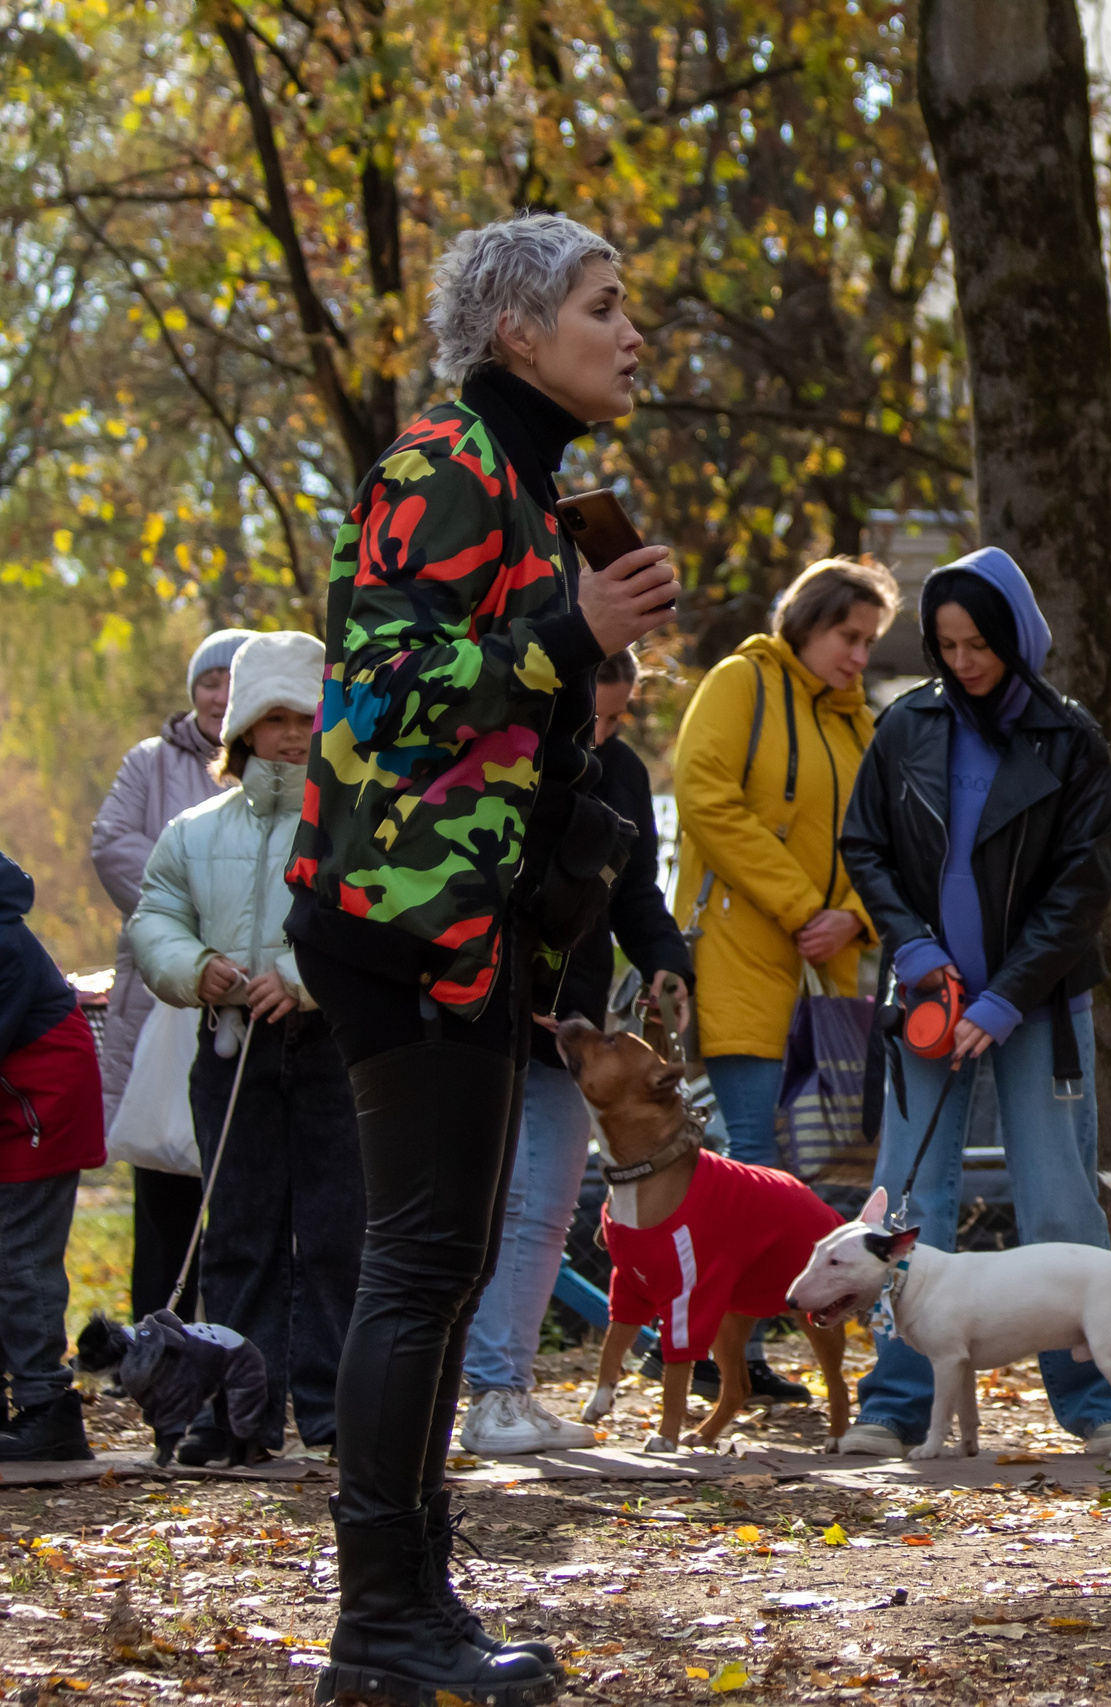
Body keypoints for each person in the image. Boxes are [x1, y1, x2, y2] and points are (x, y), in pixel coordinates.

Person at [283, 212, 676, 1704]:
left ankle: (411, 1603)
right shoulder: (440, 464)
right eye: (603, 304)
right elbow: (377, 690)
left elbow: (496, 704)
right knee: (422, 1262)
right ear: (518, 331)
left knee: (437, 1270)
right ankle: (379, 1628)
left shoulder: (526, 483)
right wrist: (567, 631)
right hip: (402, 922)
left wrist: (586, 658)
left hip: (466, 926)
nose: (628, 332)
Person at [835, 547, 1111, 1457]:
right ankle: (893, 1402)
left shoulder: (1071, 738)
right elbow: (866, 843)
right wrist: (915, 950)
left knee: (1060, 1205)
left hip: (1036, 1007)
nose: (961, 662)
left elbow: (1081, 887)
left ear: (1016, 638)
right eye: (946, 643)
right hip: (926, 998)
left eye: (979, 644)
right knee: (907, 1203)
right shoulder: (906, 725)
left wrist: (1005, 998)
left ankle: (1096, 1404)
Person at [128, 631, 359, 1463]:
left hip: (331, 1048)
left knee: (338, 1236)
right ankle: (237, 1419)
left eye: (307, 715)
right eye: (273, 718)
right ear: (242, 730)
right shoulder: (193, 829)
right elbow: (154, 915)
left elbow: (368, 916)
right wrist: (197, 966)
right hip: (229, 1051)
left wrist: (299, 975)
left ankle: (340, 1418)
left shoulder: (351, 822)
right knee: (239, 1236)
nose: (293, 734)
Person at [457, 646, 694, 1454]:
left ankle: (508, 1387)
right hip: (486, 1008)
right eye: (594, 711)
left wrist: (665, 957)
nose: (605, 729)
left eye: (620, 714)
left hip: (574, 1023)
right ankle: (485, 1391)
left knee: (549, 1206)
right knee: (498, 1200)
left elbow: (632, 891)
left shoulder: (620, 771)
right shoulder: (503, 751)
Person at [669, 556, 892, 1400]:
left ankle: (738, 1351)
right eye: (849, 634)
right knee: (754, 1159)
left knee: (809, 1172)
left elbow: (882, 840)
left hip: (824, 971)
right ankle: (714, 1353)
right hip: (742, 957)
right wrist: (807, 905)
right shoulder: (740, 682)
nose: (860, 656)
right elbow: (705, 795)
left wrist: (853, 917)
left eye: (870, 641)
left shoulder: (855, 723)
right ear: (807, 621)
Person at [92, 626, 250, 1324]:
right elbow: (114, 846)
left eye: (233, 681)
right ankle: (155, 1344)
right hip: (164, 1002)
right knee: (162, 1187)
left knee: (246, 1191)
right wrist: (196, 915)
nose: (219, 695)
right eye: (209, 681)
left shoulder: (279, 759)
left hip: (248, 1001)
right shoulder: (150, 763)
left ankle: (235, 1345)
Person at [0, 849, 106, 1462]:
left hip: (39, 1108)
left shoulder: (1, 945)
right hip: (13, 1103)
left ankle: (48, 1409)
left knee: (19, 1259)